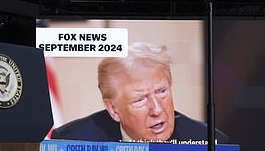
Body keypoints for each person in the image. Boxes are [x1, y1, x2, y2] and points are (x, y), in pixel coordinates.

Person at [51, 42, 229, 143]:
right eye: (140, 100)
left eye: (162, 91)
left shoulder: (210, 143)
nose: (157, 110)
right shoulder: (73, 141)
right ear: (113, 109)